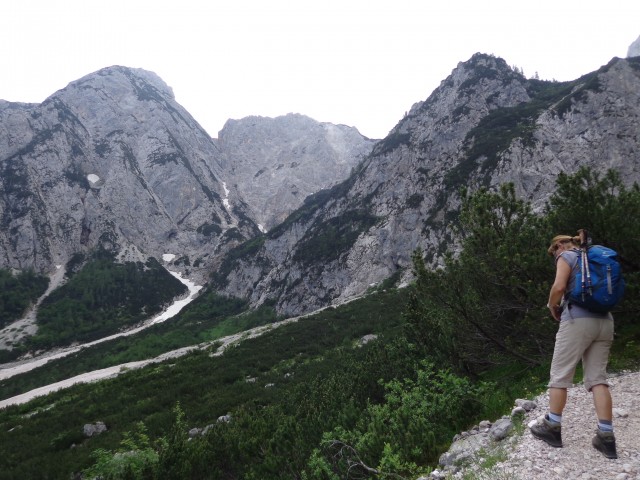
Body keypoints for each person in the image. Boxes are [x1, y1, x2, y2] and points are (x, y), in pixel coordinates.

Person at [529, 234, 617, 459]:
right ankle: (606, 436)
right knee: (598, 378)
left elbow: (559, 287)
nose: (555, 256)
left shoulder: (566, 255)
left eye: (553, 252)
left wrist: (551, 305)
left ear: (558, 245)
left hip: (578, 320)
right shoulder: (594, 255)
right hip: (605, 321)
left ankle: (552, 427)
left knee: (560, 374)